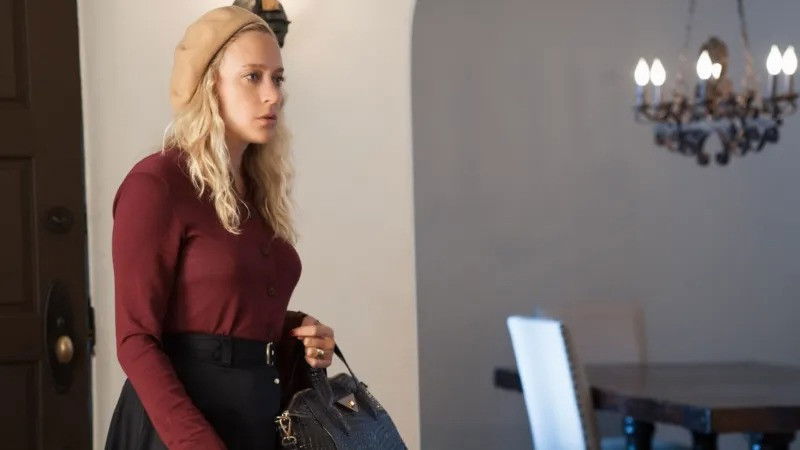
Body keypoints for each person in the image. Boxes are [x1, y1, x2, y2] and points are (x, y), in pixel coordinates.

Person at [104, 6, 336, 449]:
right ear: (211, 85)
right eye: (252, 77)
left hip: (257, 422)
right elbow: (136, 340)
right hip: (179, 433)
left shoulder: (256, 189)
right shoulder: (157, 184)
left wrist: (298, 334)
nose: (273, 95)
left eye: (278, 78)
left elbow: (219, 312)